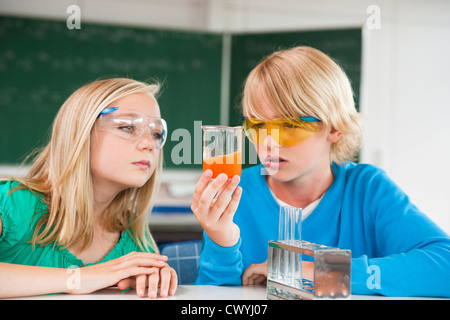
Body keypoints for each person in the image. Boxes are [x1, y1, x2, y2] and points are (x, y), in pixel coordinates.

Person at [191, 46, 450, 297]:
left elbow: (444, 265)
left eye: (289, 125)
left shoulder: (367, 190)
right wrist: (220, 240)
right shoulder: (235, 193)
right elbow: (212, 298)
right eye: (258, 126)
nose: (268, 142)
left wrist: (314, 272)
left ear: (334, 128)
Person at [0, 78, 177, 299]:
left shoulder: (136, 243)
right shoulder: (11, 203)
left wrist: (158, 280)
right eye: (128, 127)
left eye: (157, 133)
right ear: (80, 133)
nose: (149, 143)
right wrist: (79, 278)